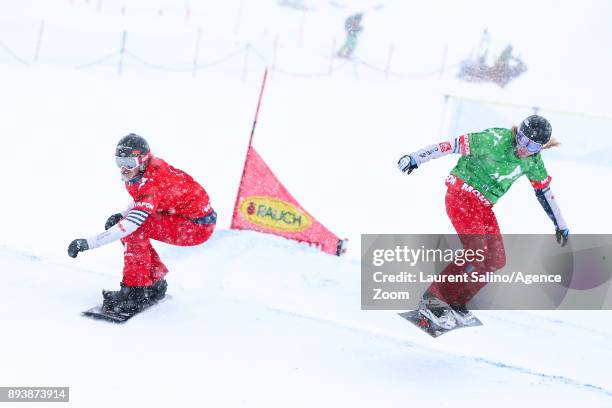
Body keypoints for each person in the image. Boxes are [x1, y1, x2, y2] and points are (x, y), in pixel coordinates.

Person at [397, 115, 569, 329]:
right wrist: (416, 157)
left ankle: (457, 301)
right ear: (518, 133)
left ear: (541, 147)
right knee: (475, 251)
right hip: (461, 195)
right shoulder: (494, 139)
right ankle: (432, 301)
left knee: (496, 259)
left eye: (533, 145)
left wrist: (559, 223)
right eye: (523, 139)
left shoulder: (533, 161)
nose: (524, 148)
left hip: (483, 206)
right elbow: (450, 146)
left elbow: (544, 191)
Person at [67, 134, 217, 313]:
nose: (124, 169)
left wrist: (89, 243)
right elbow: (144, 200)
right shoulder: (140, 173)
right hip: (184, 217)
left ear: (143, 160)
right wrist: (122, 214)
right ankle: (153, 283)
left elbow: (134, 220)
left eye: (129, 163)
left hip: (195, 227)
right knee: (127, 224)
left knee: (134, 229)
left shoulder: (152, 181)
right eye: (119, 162)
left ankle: (135, 293)